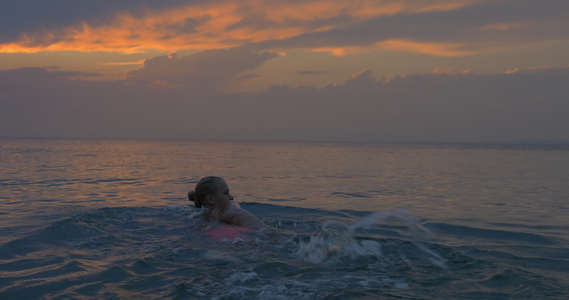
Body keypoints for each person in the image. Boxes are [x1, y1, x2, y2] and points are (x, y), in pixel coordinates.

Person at [188, 176, 267, 229]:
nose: (231, 197)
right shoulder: (230, 212)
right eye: (226, 193)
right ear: (210, 199)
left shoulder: (197, 218)